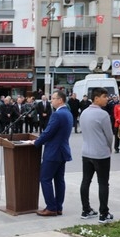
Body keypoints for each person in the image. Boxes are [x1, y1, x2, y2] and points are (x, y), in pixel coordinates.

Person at [31, 90, 73, 216]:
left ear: (60, 100)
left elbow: (48, 132)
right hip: (62, 151)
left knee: (45, 179)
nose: (51, 101)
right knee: (59, 180)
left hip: (53, 152)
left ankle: (51, 207)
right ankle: (58, 207)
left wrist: (36, 142)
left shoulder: (57, 115)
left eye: (54, 98)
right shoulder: (68, 113)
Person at [78, 88, 113, 223]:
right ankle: (103, 213)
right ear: (96, 98)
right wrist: (109, 147)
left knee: (86, 181)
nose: (107, 99)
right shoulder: (103, 115)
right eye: (104, 96)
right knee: (103, 183)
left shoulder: (84, 113)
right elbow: (109, 135)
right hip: (100, 153)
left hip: (86, 152)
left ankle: (85, 210)